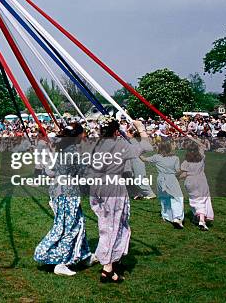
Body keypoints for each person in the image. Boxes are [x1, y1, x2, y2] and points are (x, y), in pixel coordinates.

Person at [33, 123, 94, 276]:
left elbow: (49, 171)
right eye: (83, 134)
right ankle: (61, 262)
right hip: (67, 193)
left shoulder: (61, 149)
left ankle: (84, 255)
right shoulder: (73, 151)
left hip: (58, 191)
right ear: (79, 135)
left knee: (78, 222)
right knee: (69, 226)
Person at [89, 118, 145, 283]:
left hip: (97, 187)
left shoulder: (95, 144)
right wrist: (140, 129)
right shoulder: (120, 145)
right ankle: (108, 267)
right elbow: (143, 148)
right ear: (115, 131)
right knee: (115, 225)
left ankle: (110, 262)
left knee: (106, 224)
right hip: (113, 187)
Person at [141, 140, 185, 229]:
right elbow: (177, 171)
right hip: (171, 179)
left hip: (160, 179)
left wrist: (137, 153)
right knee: (177, 198)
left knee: (164, 198)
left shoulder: (156, 157)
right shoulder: (175, 158)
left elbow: (144, 159)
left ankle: (166, 216)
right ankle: (177, 218)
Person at [180, 143, 213, 231]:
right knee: (202, 199)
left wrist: (176, 178)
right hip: (201, 181)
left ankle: (198, 217)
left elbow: (184, 174)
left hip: (190, 182)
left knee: (195, 200)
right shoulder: (201, 158)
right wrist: (197, 142)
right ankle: (201, 220)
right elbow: (203, 146)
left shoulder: (185, 162)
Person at [126, 131, 157, 200]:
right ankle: (136, 193)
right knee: (129, 177)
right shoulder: (132, 141)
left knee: (139, 177)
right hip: (129, 161)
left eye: (130, 133)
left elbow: (149, 148)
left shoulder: (136, 141)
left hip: (136, 160)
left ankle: (149, 193)